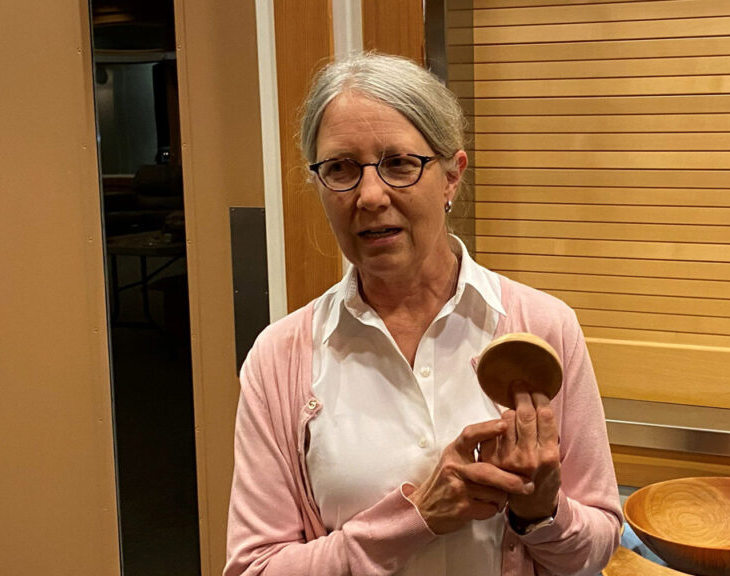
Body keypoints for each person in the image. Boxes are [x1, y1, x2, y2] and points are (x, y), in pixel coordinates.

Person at [224, 52, 622, 576]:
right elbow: (254, 568)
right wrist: (415, 518)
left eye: (399, 164)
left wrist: (540, 512)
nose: (369, 196)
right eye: (340, 168)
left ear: (451, 177)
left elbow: (596, 550)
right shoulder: (279, 358)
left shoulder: (542, 328)